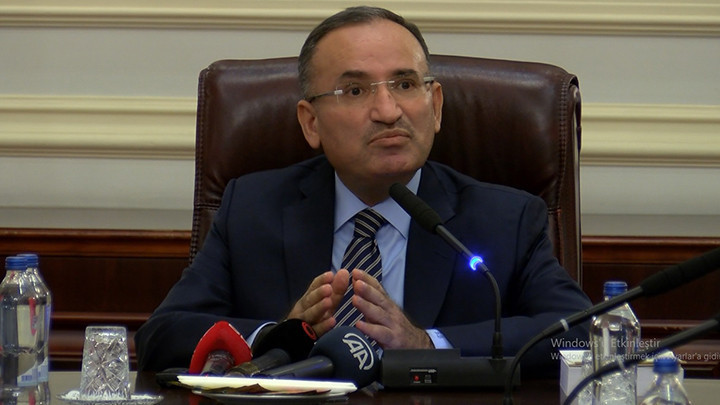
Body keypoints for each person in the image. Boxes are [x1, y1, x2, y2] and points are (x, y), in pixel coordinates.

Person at [135, 6, 591, 376]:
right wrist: (277, 336)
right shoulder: (253, 210)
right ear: (311, 123)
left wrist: (426, 344)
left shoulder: (505, 220)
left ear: (435, 107)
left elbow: (581, 336)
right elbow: (162, 335)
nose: (388, 111)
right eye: (354, 90)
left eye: (405, 84)